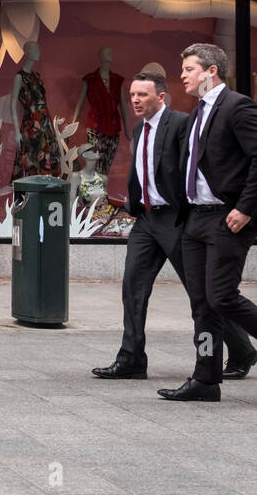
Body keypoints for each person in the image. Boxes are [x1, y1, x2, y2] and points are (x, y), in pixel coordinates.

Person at [92, 72, 255, 381]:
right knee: (132, 288)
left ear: (161, 97)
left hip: (177, 219)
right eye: (133, 95)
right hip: (146, 220)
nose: (136, 100)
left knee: (205, 294)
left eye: (143, 95)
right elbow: (144, 170)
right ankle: (131, 359)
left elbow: (193, 166)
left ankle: (241, 349)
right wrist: (133, 202)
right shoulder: (139, 129)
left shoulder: (182, 124)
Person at [160, 43, 257, 402]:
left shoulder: (238, 107)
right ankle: (205, 379)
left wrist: (245, 208)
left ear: (210, 71)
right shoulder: (198, 112)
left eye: (188, 69)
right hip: (195, 219)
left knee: (222, 297)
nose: (182, 75)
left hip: (226, 218)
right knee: (201, 304)